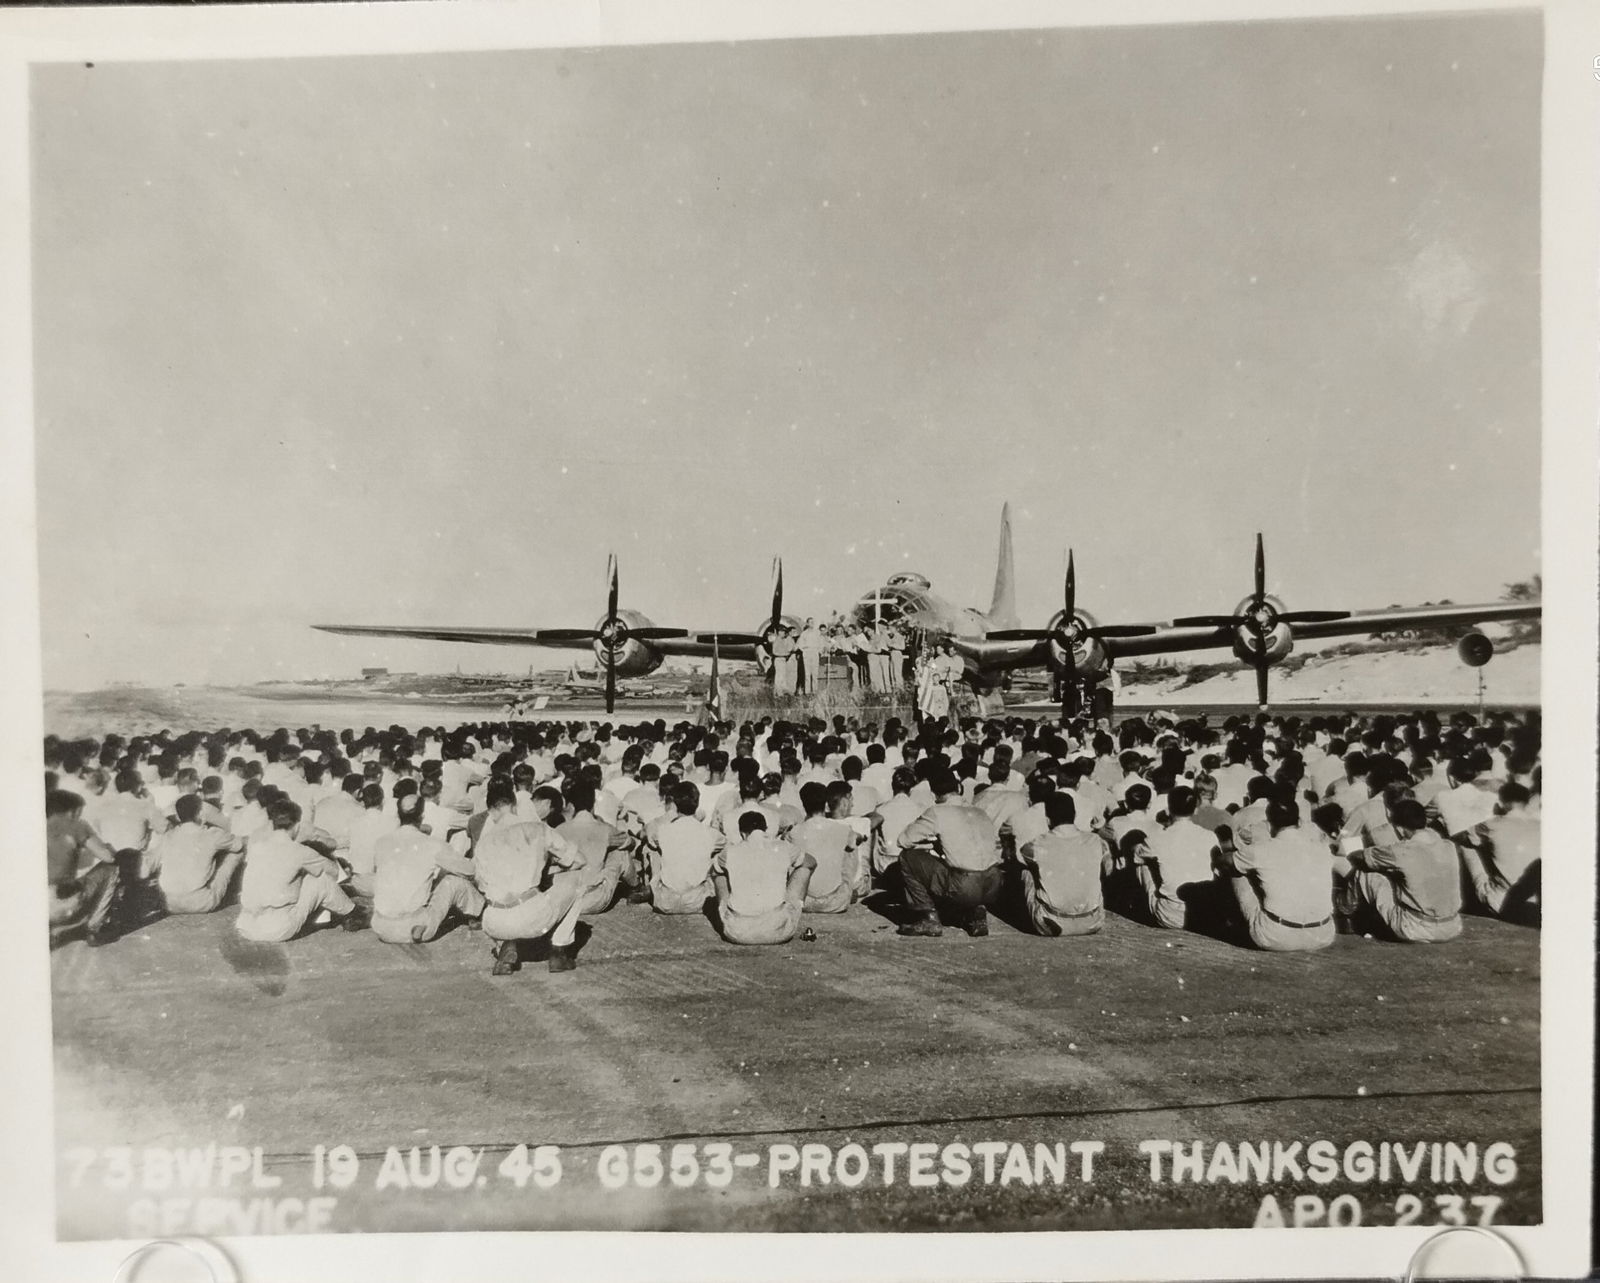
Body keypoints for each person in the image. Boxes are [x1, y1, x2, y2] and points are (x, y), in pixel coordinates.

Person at [473, 778, 594, 974]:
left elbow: (480, 883)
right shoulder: (537, 829)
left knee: (502, 893)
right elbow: (579, 860)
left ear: (490, 811)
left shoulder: (483, 842)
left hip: (493, 922)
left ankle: (504, 944)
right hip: (530, 916)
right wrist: (551, 870)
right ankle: (559, 950)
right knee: (577, 878)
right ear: (514, 805)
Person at [236, 801, 366, 942]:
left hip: (246, 925)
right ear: (297, 826)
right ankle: (353, 913)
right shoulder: (299, 851)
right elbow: (334, 873)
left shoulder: (257, 847)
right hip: (276, 929)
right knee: (320, 879)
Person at [894, 770, 1002, 937]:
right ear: (958, 788)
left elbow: (903, 840)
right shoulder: (980, 812)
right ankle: (975, 912)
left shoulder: (937, 811)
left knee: (907, 857)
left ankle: (928, 917)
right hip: (993, 883)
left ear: (933, 793)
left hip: (965, 886)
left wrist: (931, 842)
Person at [1220, 798, 1336, 952]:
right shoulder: (1321, 848)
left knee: (1236, 870)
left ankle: (1234, 922)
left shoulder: (1261, 849)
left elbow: (1225, 861)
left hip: (1276, 936)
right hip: (1323, 935)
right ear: (1300, 822)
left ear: (1269, 825)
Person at [1341, 798, 1463, 943]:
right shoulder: (1448, 846)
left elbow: (1360, 857)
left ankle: (1346, 915)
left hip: (1416, 928)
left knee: (1365, 872)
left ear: (1399, 828)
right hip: (1452, 925)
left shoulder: (1400, 851)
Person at [369, 792, 485, 944]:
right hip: (414, 925)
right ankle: (481, 912)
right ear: (422, 816)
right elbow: (469, 871)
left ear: (399, 816)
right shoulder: (432, 844)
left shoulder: (381, 842)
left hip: (381, 927)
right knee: (452, 881)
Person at [712, 812, 816, 945]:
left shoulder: (729, 851)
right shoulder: (783, 847)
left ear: (742, 833)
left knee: (718, 874)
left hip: (737, 932)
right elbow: (811, 862)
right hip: (778, 931)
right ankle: (794, 908)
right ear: (765, 830)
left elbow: (714, 871)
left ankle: (725, 914)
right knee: (804, 869)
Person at [1015, 793, 1106, 936]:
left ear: (1048, 820)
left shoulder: (1038, 843)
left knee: (1026, 871)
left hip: (1050, 922)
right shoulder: (1095, 840)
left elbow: (1021, 857)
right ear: (1075, 815)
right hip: (1093, 922)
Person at [1132, 786, 1220, 930]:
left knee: (1142, 862)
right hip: (1201, 911)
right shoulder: (1210, 836)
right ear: (1195, 809)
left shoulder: (1157, 838)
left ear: (1168, 809)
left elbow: (1137, 857)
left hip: (1170, 915)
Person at [47, 788, 121, 946]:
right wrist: (107, 847)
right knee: (111, 868)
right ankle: (96, 928)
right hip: (62, 904)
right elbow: (108, 857)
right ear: (71, 812)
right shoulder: (75, 825)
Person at [1457, 781, 1540, 921]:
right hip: (1535, 901)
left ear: (1500, 803)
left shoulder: (1492, 824)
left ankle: (1467, 898)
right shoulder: (1541, 825)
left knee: (1468, 846)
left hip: (1502, 902)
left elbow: (1461, 837)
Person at [790, 781, 873, 913]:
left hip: (804, 901)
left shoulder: (794, 832)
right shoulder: (843, 829)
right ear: (826, 804)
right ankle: (855, 886)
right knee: (852, 846)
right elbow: (857, 839)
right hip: (836, 901)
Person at [156, 793, 246, 915]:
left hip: (170, 904)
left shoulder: (169, 835)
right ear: (200, 813)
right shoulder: (212, 834)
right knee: (235, 853)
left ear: (178, 816)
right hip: (201, 903)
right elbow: (240, 844)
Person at [643, 781, 724, 914]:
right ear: (697, 804)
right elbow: (726, 845)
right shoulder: (711, 833)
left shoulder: (663, 830)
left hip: (665, 902)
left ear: (674, 804)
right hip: (698, 902)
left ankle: (650, 888)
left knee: (653, 849)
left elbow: (652, 839)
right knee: (717, 853)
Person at [562, 781, 632, 916]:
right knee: (620, 851)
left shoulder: (559, 829)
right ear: (594, 803)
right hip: (592, 900)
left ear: (570, 805)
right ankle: (636, 887)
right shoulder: (604, 828)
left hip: (566, 900)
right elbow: (629, 842)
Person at [770, 627, 799, 697]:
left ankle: (780, 693)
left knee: (782, 676)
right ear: (779, 632)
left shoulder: (782, 640)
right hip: (779, 659)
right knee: (779, 677)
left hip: (782, 660)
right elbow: (774, 652)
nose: (784, 633)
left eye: (784, 632)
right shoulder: (777, 640)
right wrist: (785, 653)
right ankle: (778, 693)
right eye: (782, 632)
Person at [798, 619, 823, 696]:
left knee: (815, 673)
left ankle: (815, 691)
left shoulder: (817, 633)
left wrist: (819, 651)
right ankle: (807, 692)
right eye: (811, 622)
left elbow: (821, 643)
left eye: (813, 622)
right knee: (807, 673)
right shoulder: (804, 634)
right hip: (807, 653)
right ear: (807, 623)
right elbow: (800, 644)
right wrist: (805, 651)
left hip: (815, 652)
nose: (812, 623)